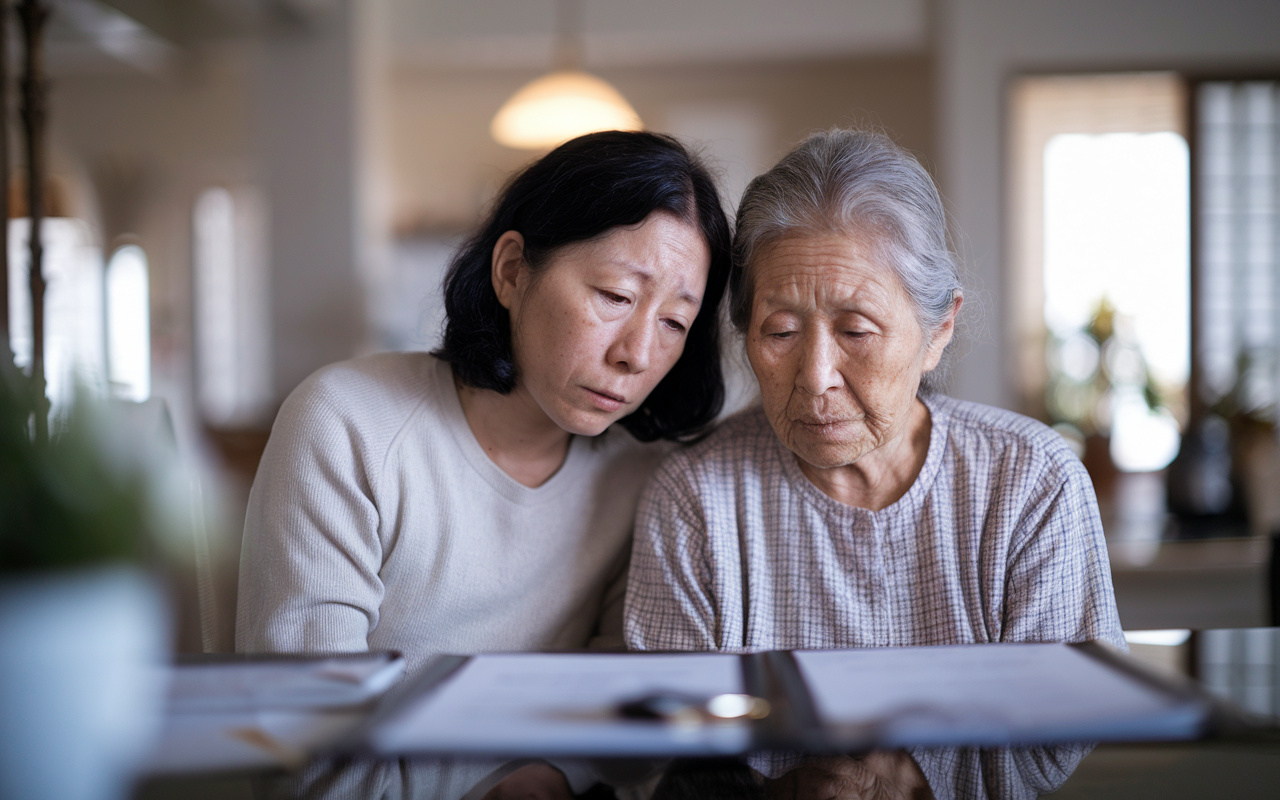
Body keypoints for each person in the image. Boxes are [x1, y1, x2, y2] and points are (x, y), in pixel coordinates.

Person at [624, 129, 1125, 799]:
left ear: (938, 331)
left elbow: (1071, 724)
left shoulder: (1030, 480)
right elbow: (663, 748)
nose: (816, 376)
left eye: (856, 330)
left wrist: (913, 782)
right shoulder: (696, 496)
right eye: (780, 331)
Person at [236, 132, 730, 797]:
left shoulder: (644, 476)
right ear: (512, 271)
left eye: (674, 322)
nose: (637, 354)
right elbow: (308, 741)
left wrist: (558, 773)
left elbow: (624, 716)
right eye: (615, 296)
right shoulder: (348, 423)